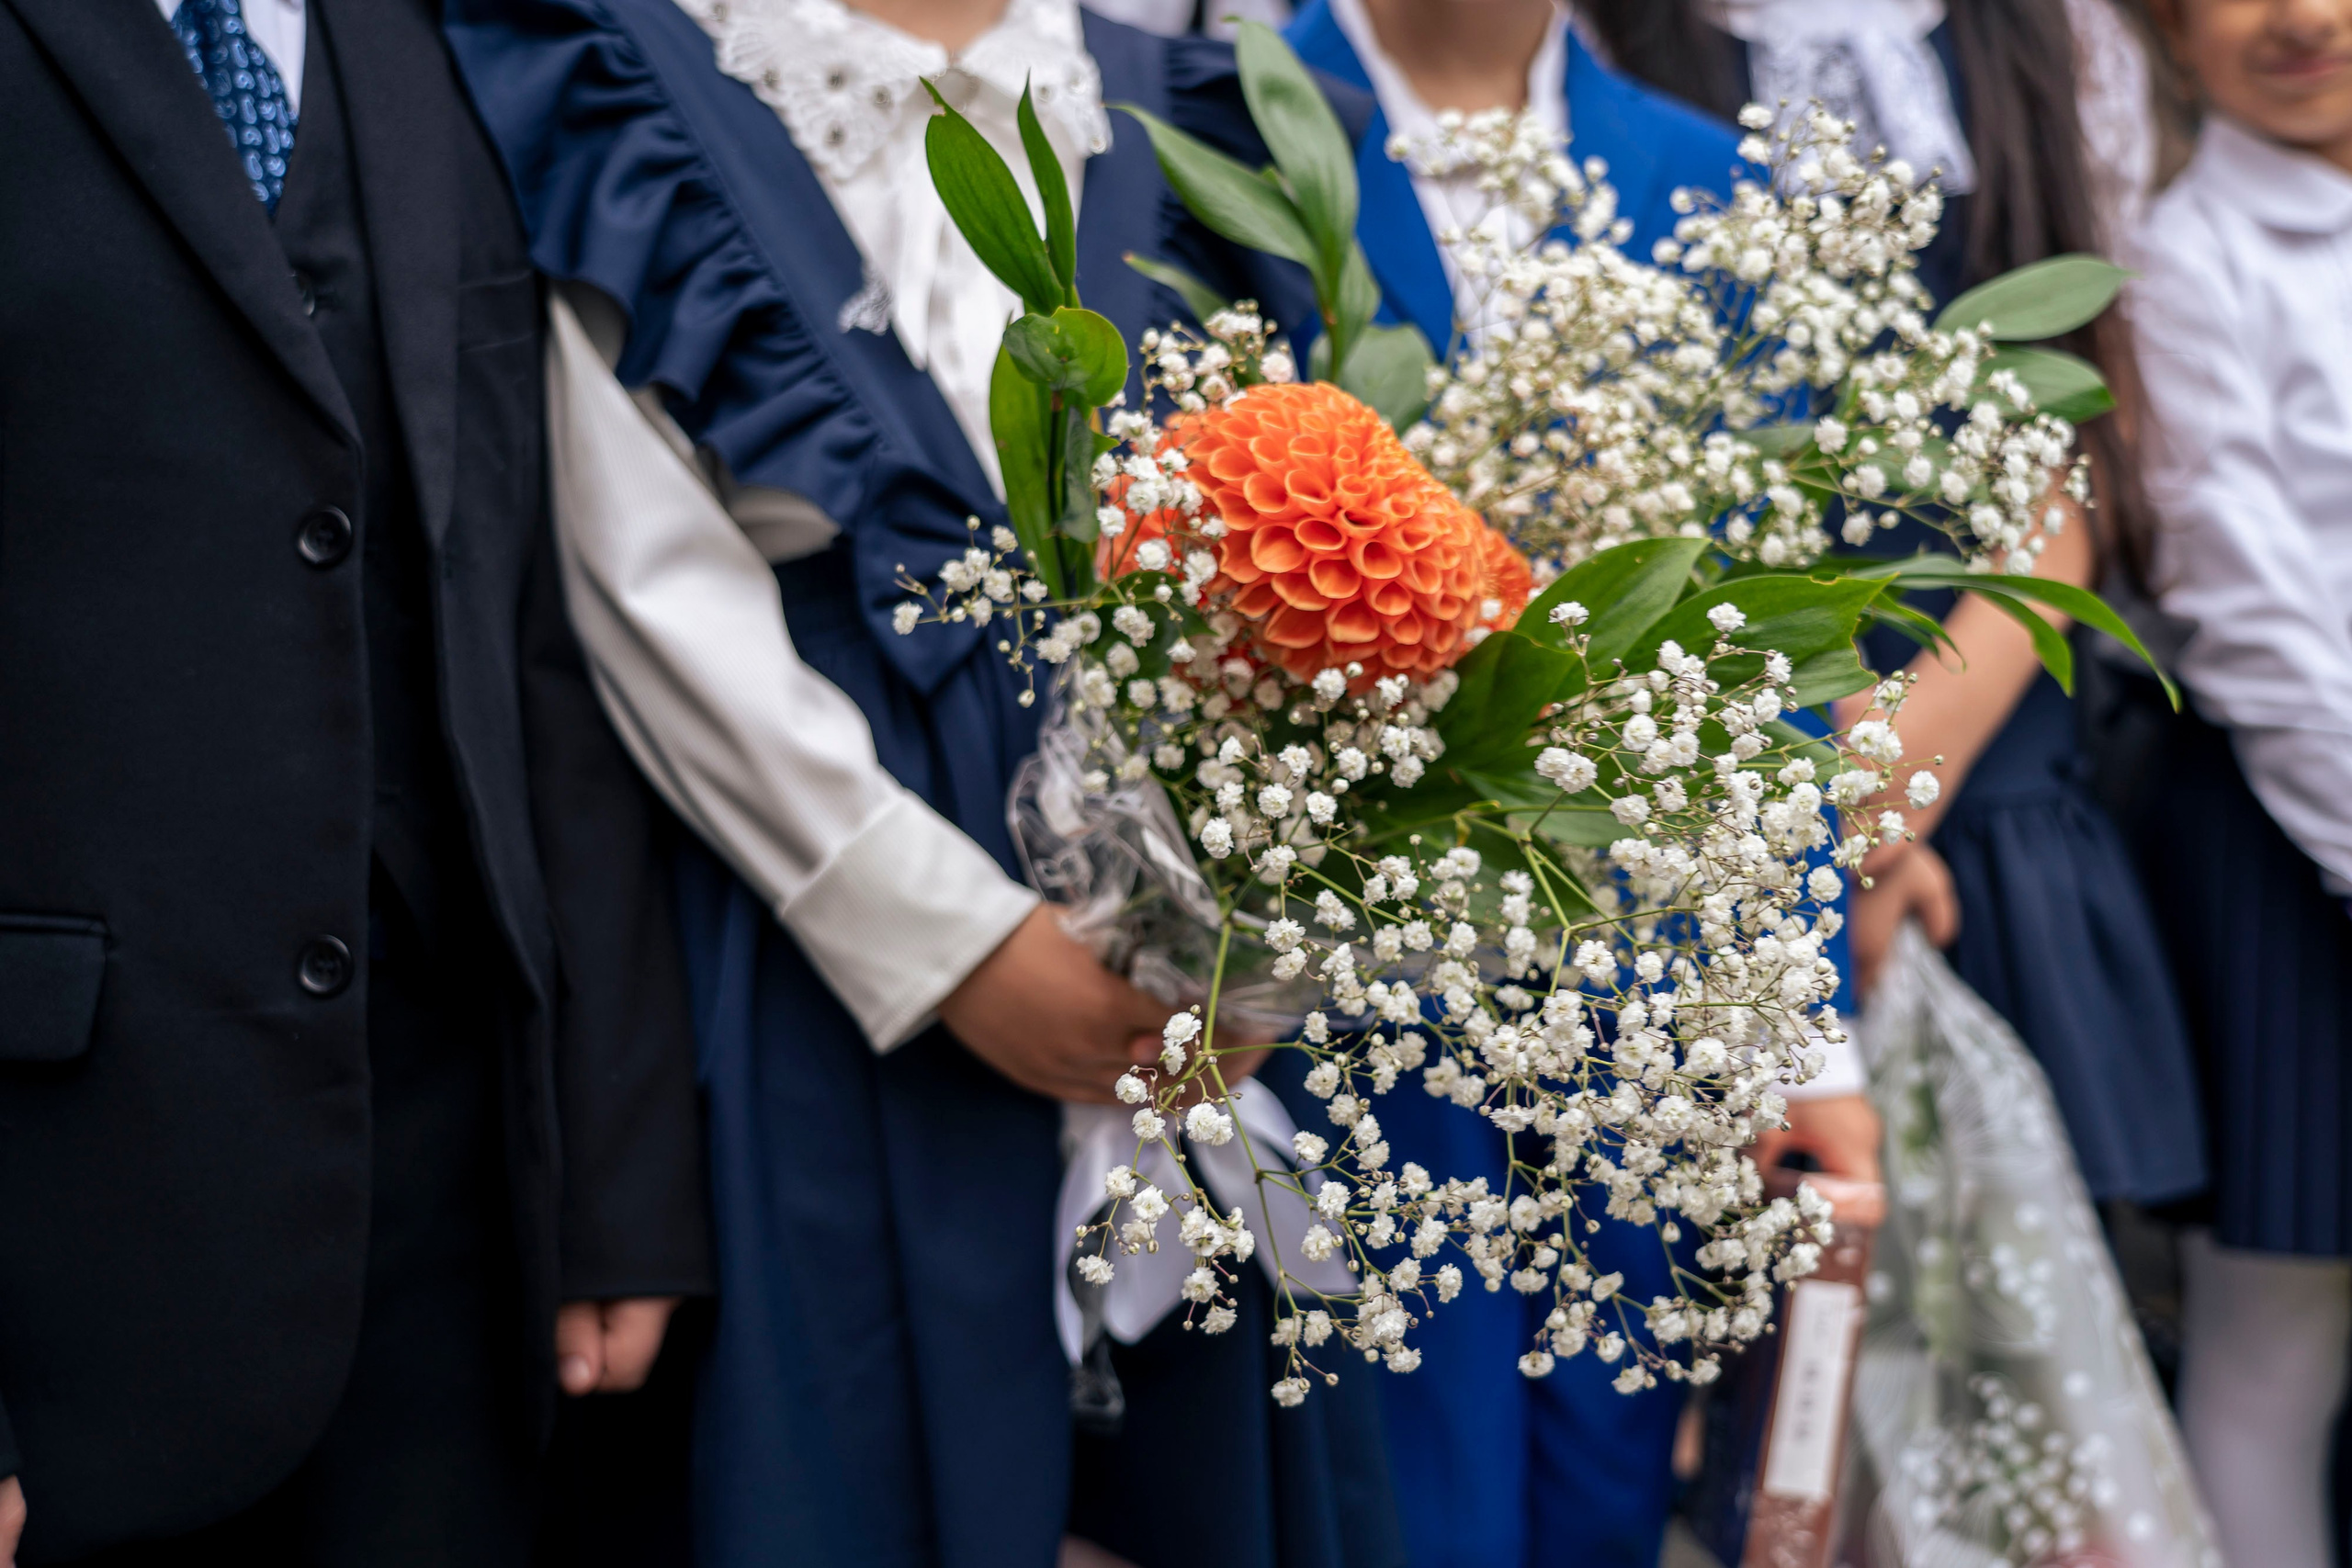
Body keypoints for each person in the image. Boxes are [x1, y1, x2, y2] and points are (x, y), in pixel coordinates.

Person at [442, 1, 1404, 1564]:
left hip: (1186, 955)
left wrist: (1260, 937)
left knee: (1202, 1465)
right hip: (834, 951)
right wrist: (945, 942)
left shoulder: (1190, 104)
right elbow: (646, 582)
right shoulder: (636, 83)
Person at [0, 0, 712, 1562]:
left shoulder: (440, 33)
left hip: (450, 1224)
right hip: (67, 1247)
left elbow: (531, 618)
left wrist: (616, 1176)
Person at [1279, 4, 1877, 1563]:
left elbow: (1766, 656)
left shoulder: (1699, 178)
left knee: (1610, 1489)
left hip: (1652, 1004)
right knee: (1412, 1503)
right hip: (1349, 997)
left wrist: (1803, 1042)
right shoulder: (1234, 122)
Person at [1589, 0, 2210, 1223]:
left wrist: (1878, 794)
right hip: (1712, 770)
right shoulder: (1600, 37)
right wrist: (1811, 824)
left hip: (1986, 753)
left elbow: (2082, 433)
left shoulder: (2048, 30)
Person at [2129, 1, 2352, 1562]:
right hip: (2299, 834)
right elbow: (2252, 610)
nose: (2295, 16)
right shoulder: (2182, 256)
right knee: (2281, 1328)